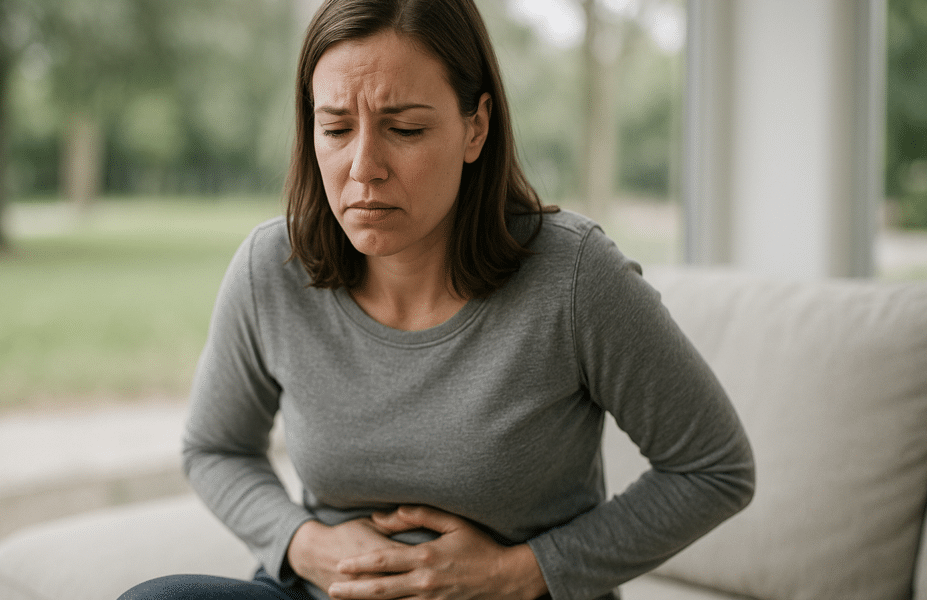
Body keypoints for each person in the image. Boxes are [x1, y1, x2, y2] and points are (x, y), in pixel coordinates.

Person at [119, 0, 755, 599]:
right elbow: (215, 448)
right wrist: (308, 546)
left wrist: (517, 572)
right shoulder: (270, 269)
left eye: (404, 128)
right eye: (336, 127)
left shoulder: (575, 276)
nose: (363, 167)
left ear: (474, 128)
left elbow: (715, 468)